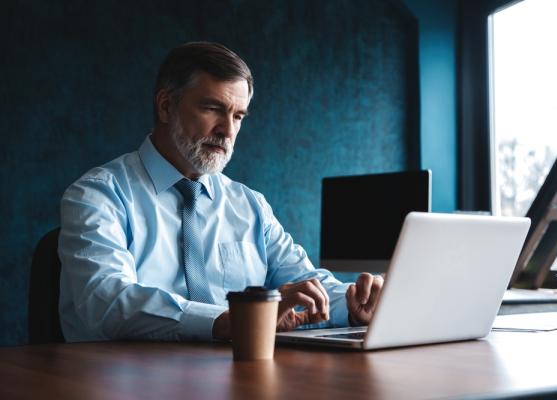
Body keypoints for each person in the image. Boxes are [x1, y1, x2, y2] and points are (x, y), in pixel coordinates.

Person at [58, 41, 384, 342]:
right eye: (212, 109)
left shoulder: (250, 205)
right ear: (166, 106)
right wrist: (232, 321)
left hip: (240, 379)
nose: (227, 131)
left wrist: (356, 304)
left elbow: (306, 285)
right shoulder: (99, 195)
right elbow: (108, 300)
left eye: (238, 116)